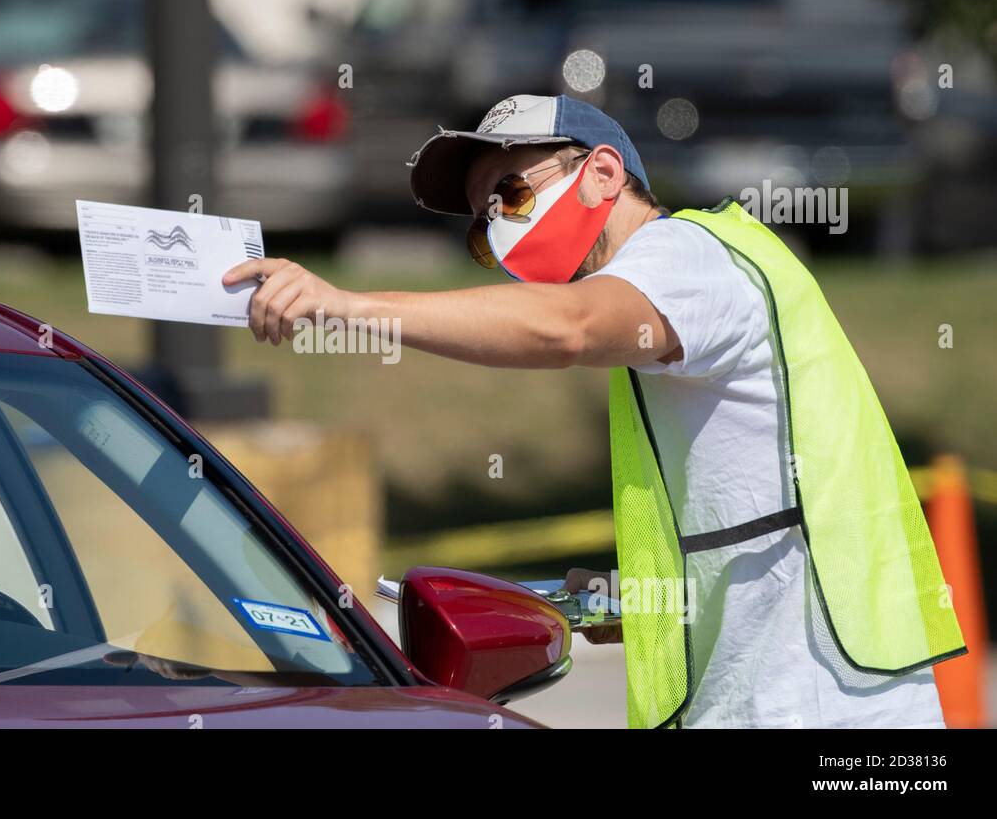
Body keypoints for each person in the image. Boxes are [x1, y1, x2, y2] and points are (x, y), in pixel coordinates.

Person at [223, 94, 965, 728]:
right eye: (484, 227)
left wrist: (347, 306)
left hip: (816, 704)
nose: (499, 230)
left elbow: (562, 327)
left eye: (511, 195)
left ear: (603, 173)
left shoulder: (689, 258)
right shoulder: (672, 297)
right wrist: (644, 592)